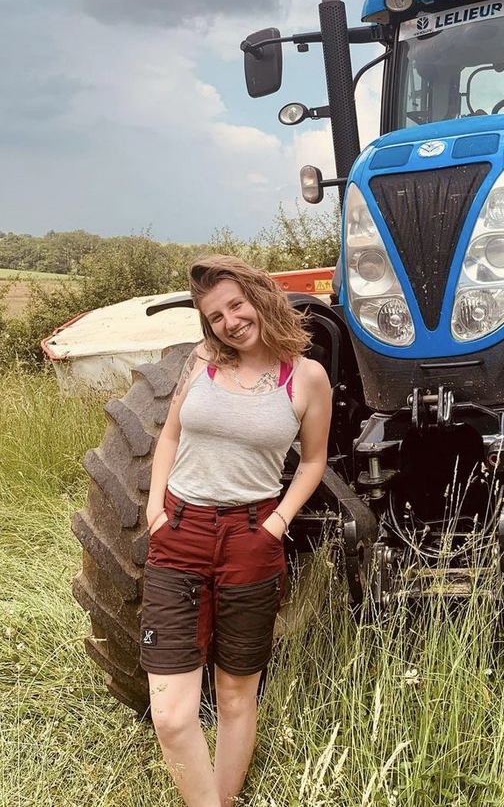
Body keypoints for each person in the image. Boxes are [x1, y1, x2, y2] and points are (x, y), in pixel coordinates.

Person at [140, 254, 332, 807]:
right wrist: (155, 509)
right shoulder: (202, 360)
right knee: (173, 715)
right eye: (215, 314)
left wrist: (276, 523)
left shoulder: (306, 377)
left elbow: (314, 461)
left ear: (259, 298)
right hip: (180, 533)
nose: (228, 321)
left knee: (235, 695)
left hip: (251, 540)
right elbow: (170, 436)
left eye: (235, 304)